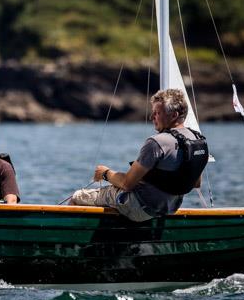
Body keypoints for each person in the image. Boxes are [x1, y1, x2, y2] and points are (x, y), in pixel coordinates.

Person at [69, 88, 208, 221]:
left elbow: (127, 184)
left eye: (157, 113)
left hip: (141, 208)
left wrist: (105, 173)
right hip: (170, 208)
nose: (151, 117)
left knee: (77, 197)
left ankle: (74, 244)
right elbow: (196, 183)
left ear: (174, 115)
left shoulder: (157, 142)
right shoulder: (198, 140)